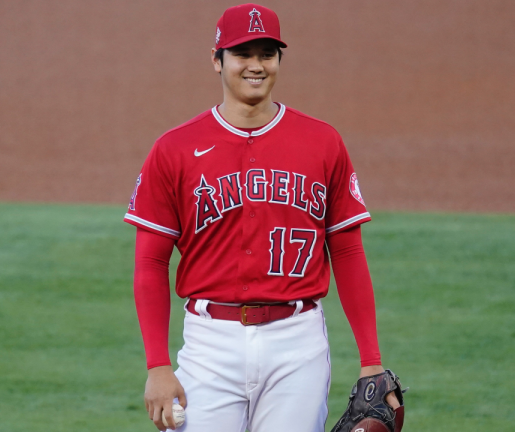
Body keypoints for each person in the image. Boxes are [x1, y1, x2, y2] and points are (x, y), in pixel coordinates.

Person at [124, 4, 399, 431]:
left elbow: (346, 250)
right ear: (217, 61)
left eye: (267, 54)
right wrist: (158, 366)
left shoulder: (322, 142)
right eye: (243, 54)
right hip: (209, 343)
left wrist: (371, 361)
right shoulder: (174, 149)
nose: (256, 65)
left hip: (297, 342)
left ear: (278, 61)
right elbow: (150, 262)